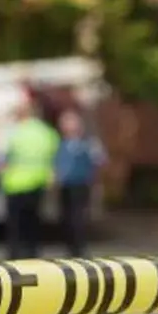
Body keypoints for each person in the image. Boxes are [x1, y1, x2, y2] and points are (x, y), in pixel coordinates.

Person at [0, 99, 60, 260]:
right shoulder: (47, 132)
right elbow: (55, 157)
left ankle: (14, 256)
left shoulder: (14, 131)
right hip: (37, 184)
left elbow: (3, 157)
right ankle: (33, 255)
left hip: (14, 184)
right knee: (33, 224)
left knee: (15, 226)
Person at [55, 110, 106, 258]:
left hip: (80, 184)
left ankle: (79, 249)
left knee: (78, 217)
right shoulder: (61, 144)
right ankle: (69, 248)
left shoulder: (89, 143)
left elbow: (100, 160)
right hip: (65, 185)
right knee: (66, 217)